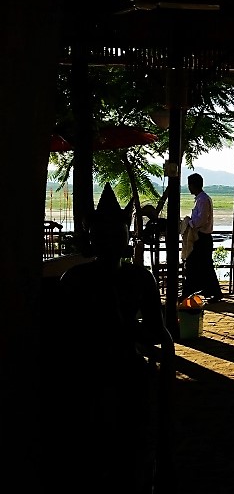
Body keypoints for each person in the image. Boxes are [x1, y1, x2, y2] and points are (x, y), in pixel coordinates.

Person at [56, 183, 175, 492]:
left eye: (117, 234)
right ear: (92, 240)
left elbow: (157, 330)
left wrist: (132, 331)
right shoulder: (76, 279)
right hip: (88, 368)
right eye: (103, 235)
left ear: (126, 238)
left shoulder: (140, 278)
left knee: (134, 434)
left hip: (127, 364)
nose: (110, 241)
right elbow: (64, 334)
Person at [183, 172, 224, 303]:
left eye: (190, 185)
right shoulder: (202, 199)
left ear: (194, 185)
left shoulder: (202, 200)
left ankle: (189, 292)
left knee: (193, 264)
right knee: (204, 266)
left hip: (202, 237)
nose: (189, 187)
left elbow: (201, 220)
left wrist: (189, 222)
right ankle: (210, 290)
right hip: (203, 237)